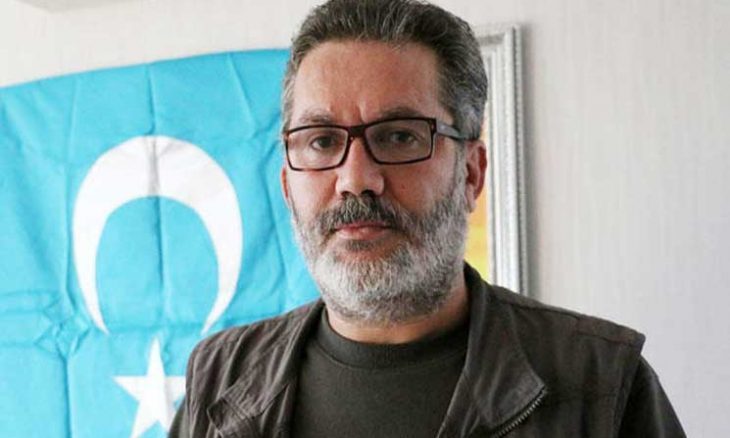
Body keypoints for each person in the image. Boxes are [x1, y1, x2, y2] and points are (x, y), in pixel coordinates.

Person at [170, 0, 684, 436]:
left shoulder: (602, 385)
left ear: (471, 174)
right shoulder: (220, 378)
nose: (355, 179)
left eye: (399, 136)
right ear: (288, 186)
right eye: (322, 141)